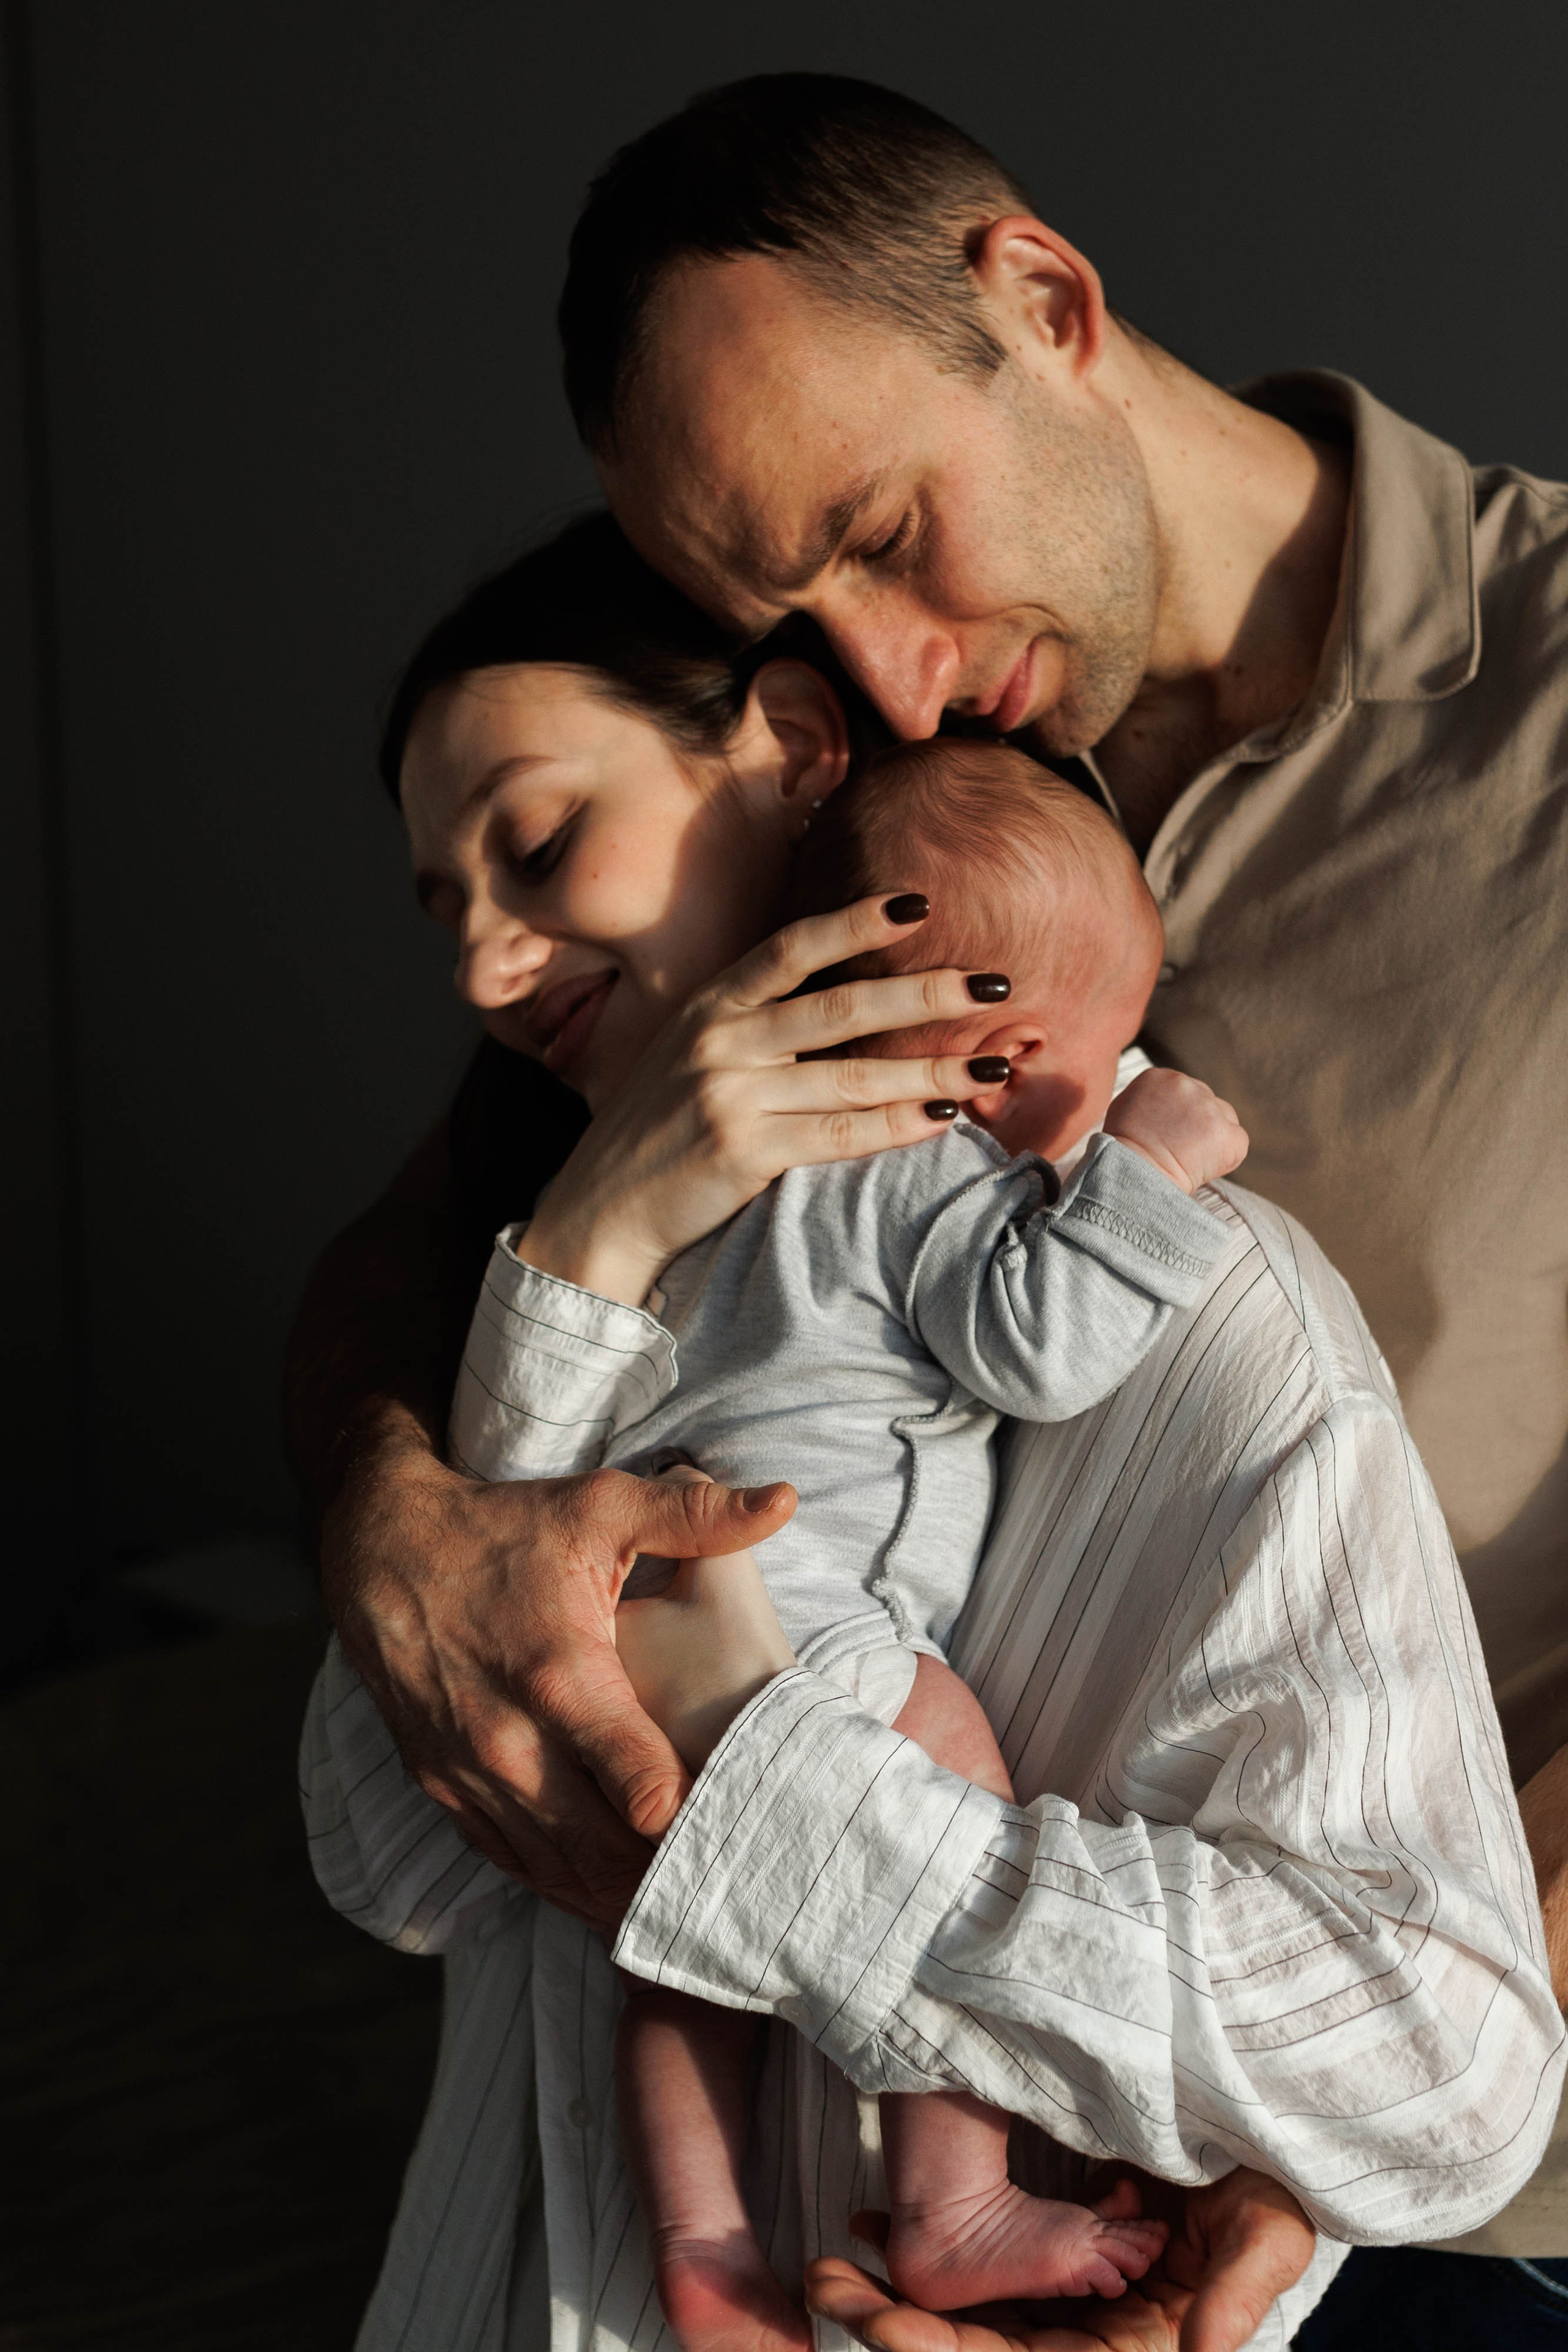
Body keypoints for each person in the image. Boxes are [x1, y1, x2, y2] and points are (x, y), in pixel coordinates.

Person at [300, 519, 1556, 2352]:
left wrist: (762, 1822)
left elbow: (1443, 2075)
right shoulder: (573, 1278)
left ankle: (865, 2210)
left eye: (543, 840)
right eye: (448, 911)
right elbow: (389, 1856)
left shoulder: (1203, 1302)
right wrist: (585, 1250)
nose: (486, 971)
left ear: (802, 753)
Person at [451, 735, 1250, 2345]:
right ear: (1001, 1056)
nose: (1105, 1093)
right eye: (1104, 1057)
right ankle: (955, 2202)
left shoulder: (728, 1172)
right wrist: (1151, 1171)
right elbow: (1036, 1344)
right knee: (952, 1794)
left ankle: (698, 2237)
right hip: (808, 1615)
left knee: (678, 1943)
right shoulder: (926, 1164)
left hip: (643, 1614)